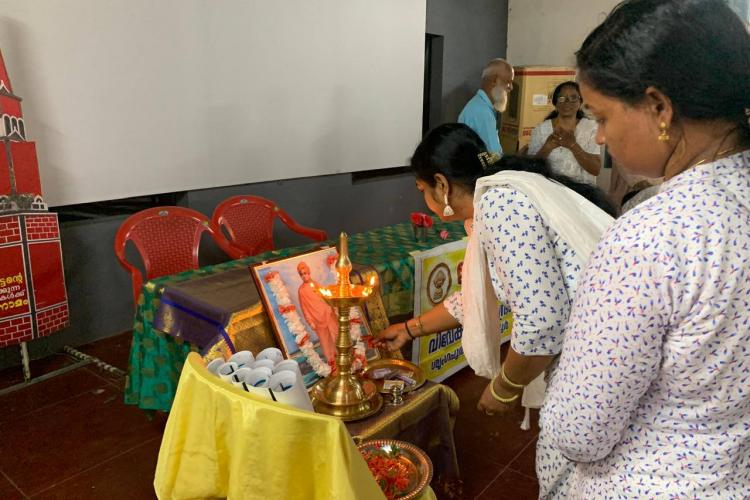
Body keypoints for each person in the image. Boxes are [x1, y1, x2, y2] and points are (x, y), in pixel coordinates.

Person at [541, 0, 750, 496]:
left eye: (604, 116)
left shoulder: (653, 235)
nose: (600, 134)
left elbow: (579, 431)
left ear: (659, 108)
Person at [377, 123, 615, 497]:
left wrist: (504, 387)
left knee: (570, 478)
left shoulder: (501, 204)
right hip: (599, 353)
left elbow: (541, 322)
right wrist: (409, 329)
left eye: (422, 190)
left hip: (597, 362)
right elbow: (471, 297)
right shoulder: (500, 197)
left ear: (442, 184)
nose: (423, 198)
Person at [527, 81, 601, 185]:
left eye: (573, 98)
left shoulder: (591, 128)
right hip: (548, 192)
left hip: (580, 195)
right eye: (561, 98)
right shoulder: (541, 130)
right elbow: (530, 169)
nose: (567, 102)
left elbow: (595, 169)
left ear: (580, 102)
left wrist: (573, 145)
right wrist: (547, 147)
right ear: (555, 103)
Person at [458, 59, 514, 155]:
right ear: (494, 80)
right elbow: (493, 156)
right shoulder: (482, 112)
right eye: (508, 82)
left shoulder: (480, 106)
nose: (510, 87)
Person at [296, 261, 338, 367]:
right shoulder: (301, 291)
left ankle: (342, 354)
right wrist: (310, 322)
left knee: (336, 333)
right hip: (317, 319)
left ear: (309, 273)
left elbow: (324, 296)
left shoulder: (315, 284)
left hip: (328, 313)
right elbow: (304, 308)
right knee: (324, 340)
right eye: (302, 274)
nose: (304, 276)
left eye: (305, 273)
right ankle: (331, 362)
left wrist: (331, 307)